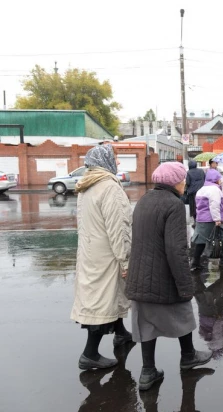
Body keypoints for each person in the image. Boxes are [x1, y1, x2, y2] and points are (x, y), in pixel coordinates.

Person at [126, 162, 212, 391]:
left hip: (139, 275)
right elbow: (176, 249)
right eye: (183, 180)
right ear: (175, 182)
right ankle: (188, 356)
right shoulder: (174, 205)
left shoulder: (144, 199)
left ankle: (147, 372)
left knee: (146, 324)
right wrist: (185, 285)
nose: (186, 183)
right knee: (183, 313)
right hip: (163, 275)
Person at [71, 144, 133, 370]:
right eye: (114, 158)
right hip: (107, 255)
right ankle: (89, 354)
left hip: (91, 253)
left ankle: (120, 332)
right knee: (102, 301)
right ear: (104, 161)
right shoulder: (109, 187)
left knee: (109, 296)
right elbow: (119, 229)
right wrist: (125, 260)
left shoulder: (88, 185)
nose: (117, 163)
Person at [192, 168, 223, 269]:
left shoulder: (201, 189)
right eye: (219, 178)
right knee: (222, 239)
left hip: (201, 219)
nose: (220, 180)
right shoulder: (215, 190)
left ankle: (195, 262)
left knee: (201, 241)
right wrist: (217, 219)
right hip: (212, 220)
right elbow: (214, 205)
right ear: (215, 179)